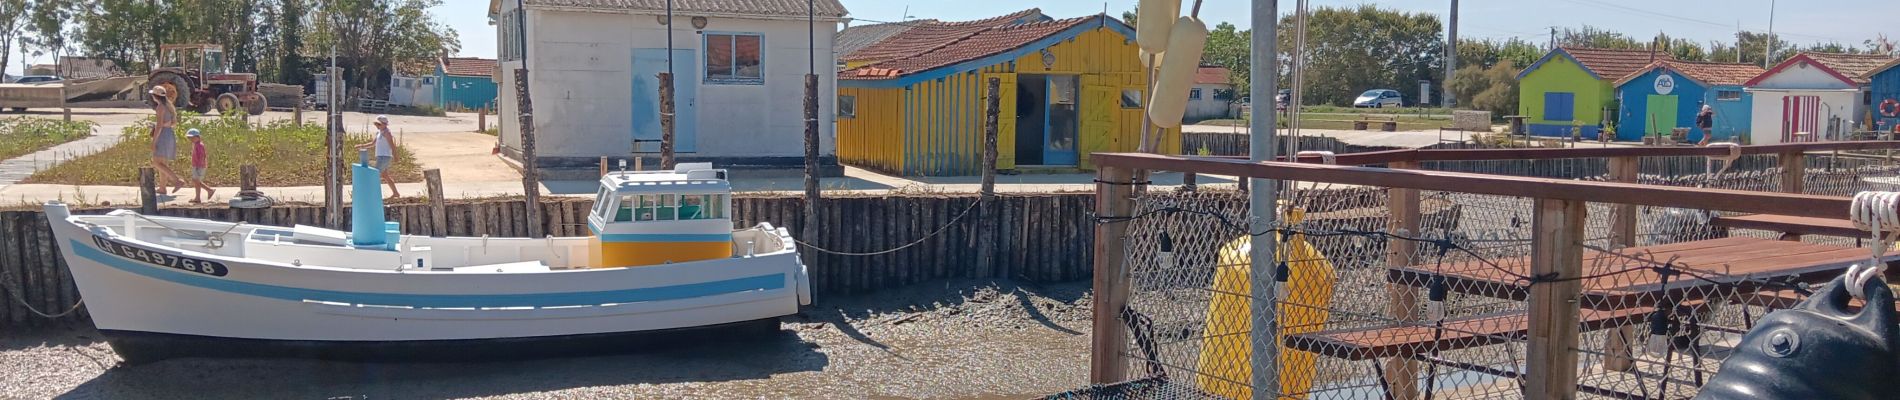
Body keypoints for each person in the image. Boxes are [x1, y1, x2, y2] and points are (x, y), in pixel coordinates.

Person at [148, 87, 189, 194]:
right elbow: (172, 123)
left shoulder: (160, 107)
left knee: (157, 162)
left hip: (162, 136)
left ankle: (177, 180)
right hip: (169, 134)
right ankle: (162, 188)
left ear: (155, 96)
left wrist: (153, 141)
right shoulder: (169, 106)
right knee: (163, 164)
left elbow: (159, 126)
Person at [354, 115, 402, 197]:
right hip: (380, 156)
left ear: (385, 124)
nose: (377, 126)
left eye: (379, 124)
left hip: (385, 156)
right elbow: (372, 144)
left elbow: (392, 145)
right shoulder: (379, 133)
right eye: (376, 124)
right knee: (385, 175)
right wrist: (361, 146)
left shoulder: (387, 133)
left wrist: (396, 156)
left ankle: (369, 194)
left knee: (374, 175)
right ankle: (395, 193)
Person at [184, 129, 216, 203]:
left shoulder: (200, 145)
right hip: (195, 165)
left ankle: (209, 190)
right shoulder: (195, 144)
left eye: (192, 137)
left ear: (198, 137)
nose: (191, 139)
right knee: (196, 181)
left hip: (199, 166)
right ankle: (197, 198)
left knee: (196, 181)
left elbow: (202, 156)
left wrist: (200, 165)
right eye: (189, 138)